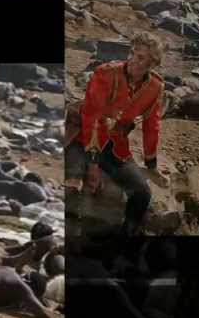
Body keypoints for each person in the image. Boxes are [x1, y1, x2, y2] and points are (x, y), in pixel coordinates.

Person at [65, 32, 164, 236]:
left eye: (140, 57)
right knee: (72, 187)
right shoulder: (105, 73)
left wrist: (151, 164)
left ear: (152, 63)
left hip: (115, 147)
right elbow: (93, 118)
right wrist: (93, 164)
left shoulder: (155, 86)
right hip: (81, 138)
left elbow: (151, 124)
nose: (133, 60)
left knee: (142, 193)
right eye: (132, 53)